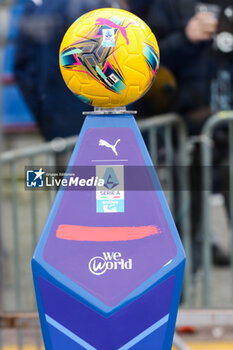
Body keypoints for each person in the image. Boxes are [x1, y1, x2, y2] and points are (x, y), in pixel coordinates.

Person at [130, 0, 231, 268]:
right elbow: (143, 62)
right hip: (186, 127)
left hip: (227, 123)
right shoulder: (167, 5)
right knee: (188, 213)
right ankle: (182, 286)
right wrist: (186, 38)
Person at [14, 0, 124, 141]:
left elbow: (22, 70)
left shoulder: (37, 8)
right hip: (104, 117)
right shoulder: (106, 7)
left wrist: (43, 114)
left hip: (57, 119)